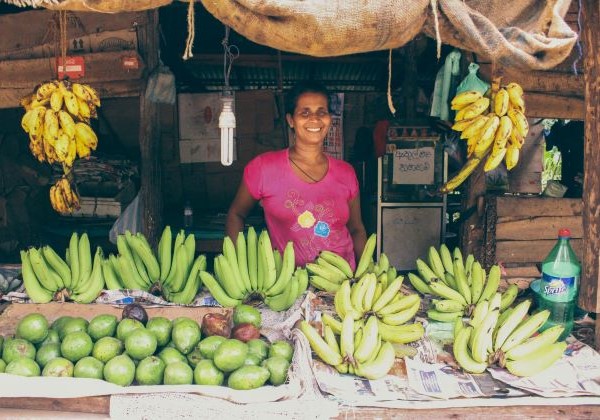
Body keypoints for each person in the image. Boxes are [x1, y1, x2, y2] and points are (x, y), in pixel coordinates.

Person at [226, 81, 367, 269]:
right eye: (305, 112)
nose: (315, 119)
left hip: (343, 281)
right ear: (291, 120)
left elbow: (356, 228)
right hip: (287, 285)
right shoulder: (264, 168)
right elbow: (236, 214)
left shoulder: (346, 172)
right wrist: (240, 269)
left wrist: (366, 271)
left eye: (322, 111)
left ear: (329, 119)